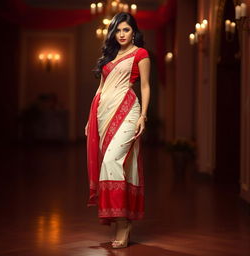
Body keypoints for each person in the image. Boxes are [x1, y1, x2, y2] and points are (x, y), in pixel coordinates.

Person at [85, 12, 150, 249]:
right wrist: (89, 120)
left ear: (134, 32)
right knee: (109, 163)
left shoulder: (140, 54)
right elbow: (99, 90)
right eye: (118, 30)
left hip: (128, 111)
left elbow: (145, 85)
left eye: (126, 30)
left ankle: (124, 222)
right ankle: (119, 219)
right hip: (103, 114)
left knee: (112, 161)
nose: (122, 34)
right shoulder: (109, 57)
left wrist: (143, 116)